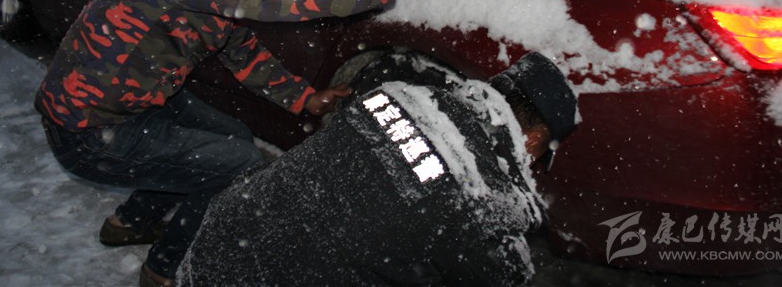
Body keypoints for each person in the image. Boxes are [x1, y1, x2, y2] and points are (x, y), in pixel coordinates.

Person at [34, 0, 441, 287]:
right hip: (87, 129)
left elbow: (244, 53)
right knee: (236, 164)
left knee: (232, 138)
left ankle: (130, 222)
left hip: (129, 102)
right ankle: (164, 270)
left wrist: (303, 98)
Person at [178, 51, 579, 286]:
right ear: (532, 140)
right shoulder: (480, 205)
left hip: (215, 245)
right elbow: (508, 275)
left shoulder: (397, 93)